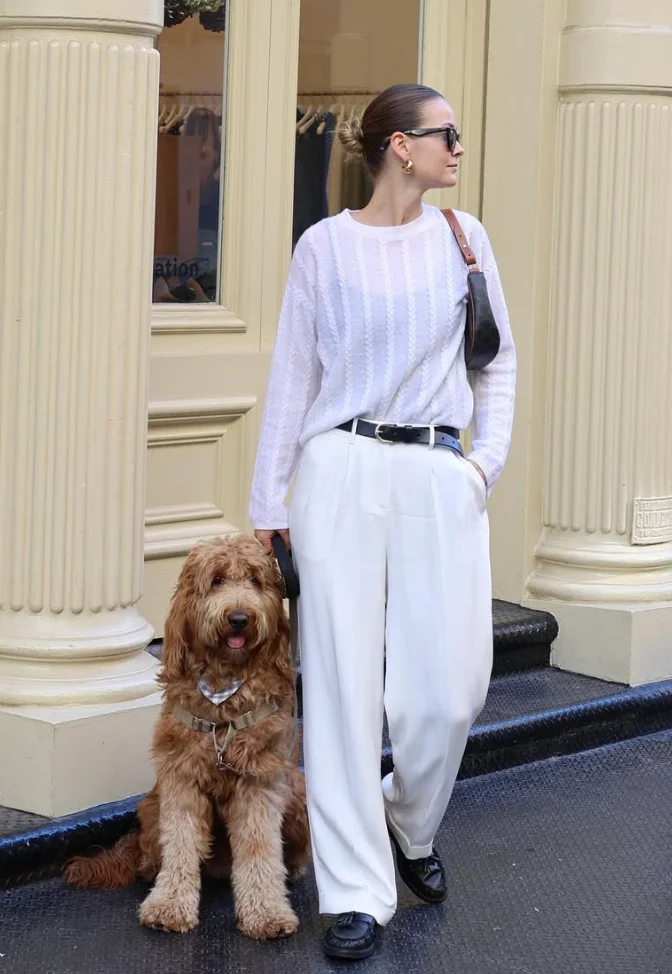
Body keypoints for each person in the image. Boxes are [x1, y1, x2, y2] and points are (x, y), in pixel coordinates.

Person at [249, 83, 516, 960]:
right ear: (401, 146)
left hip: (439, 472)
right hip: (340, 469)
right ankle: (357, 890)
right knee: (342, 686)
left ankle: (408, 817)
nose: (459, 149)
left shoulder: (464, 237)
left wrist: (482, 467)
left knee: (451, 689)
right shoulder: (323, 248)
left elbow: (498, 365)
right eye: (449, 135)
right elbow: (293, 378)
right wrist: (268, 507)